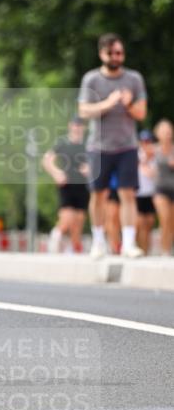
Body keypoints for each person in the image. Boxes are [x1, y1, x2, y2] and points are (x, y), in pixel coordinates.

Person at [78, 32, 147, 258]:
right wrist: (107, 103)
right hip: (98, 147)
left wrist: (128, 104)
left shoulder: (134, 79)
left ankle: (128, 244)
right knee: (98, 195)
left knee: (128, 194)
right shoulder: (91, 79)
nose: (116, 57)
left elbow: (141, 113)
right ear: (102, 54)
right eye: (111, 53)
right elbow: (83, 110)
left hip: (127, 146)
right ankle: (98, 242)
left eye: (119, 52)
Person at [42, 117, 89, 253]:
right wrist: (56, 173)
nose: (77, 128)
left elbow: (97, 161)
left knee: (79, 221)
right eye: (75, 125)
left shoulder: (87, 144)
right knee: (67, 217)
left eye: (80, 125)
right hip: (67, 184)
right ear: (70, 126)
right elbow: (47, 159)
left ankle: (75, 249)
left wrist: (90, 168)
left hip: (83, 185)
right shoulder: (62, 143)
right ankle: (55, 238)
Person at [153, 119, 174, 256]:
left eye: (169, 131)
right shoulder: (153, 150)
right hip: (160, 189)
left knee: (172, 222)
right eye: (164, 131)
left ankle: (168, 248)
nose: (167, 134)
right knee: (164, 219)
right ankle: (164, 250)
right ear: (158, 133)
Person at [136, 129, 157, 255]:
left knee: (149, 224)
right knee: (139, 224)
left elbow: (153, 174)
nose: (145, 144)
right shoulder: (136, 155)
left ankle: (146, 251)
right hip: (138, 194)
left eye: (148, 141)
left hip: (150, 193)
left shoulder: (155, 156)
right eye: (143, 141)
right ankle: (140, 249)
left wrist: (148, 159)